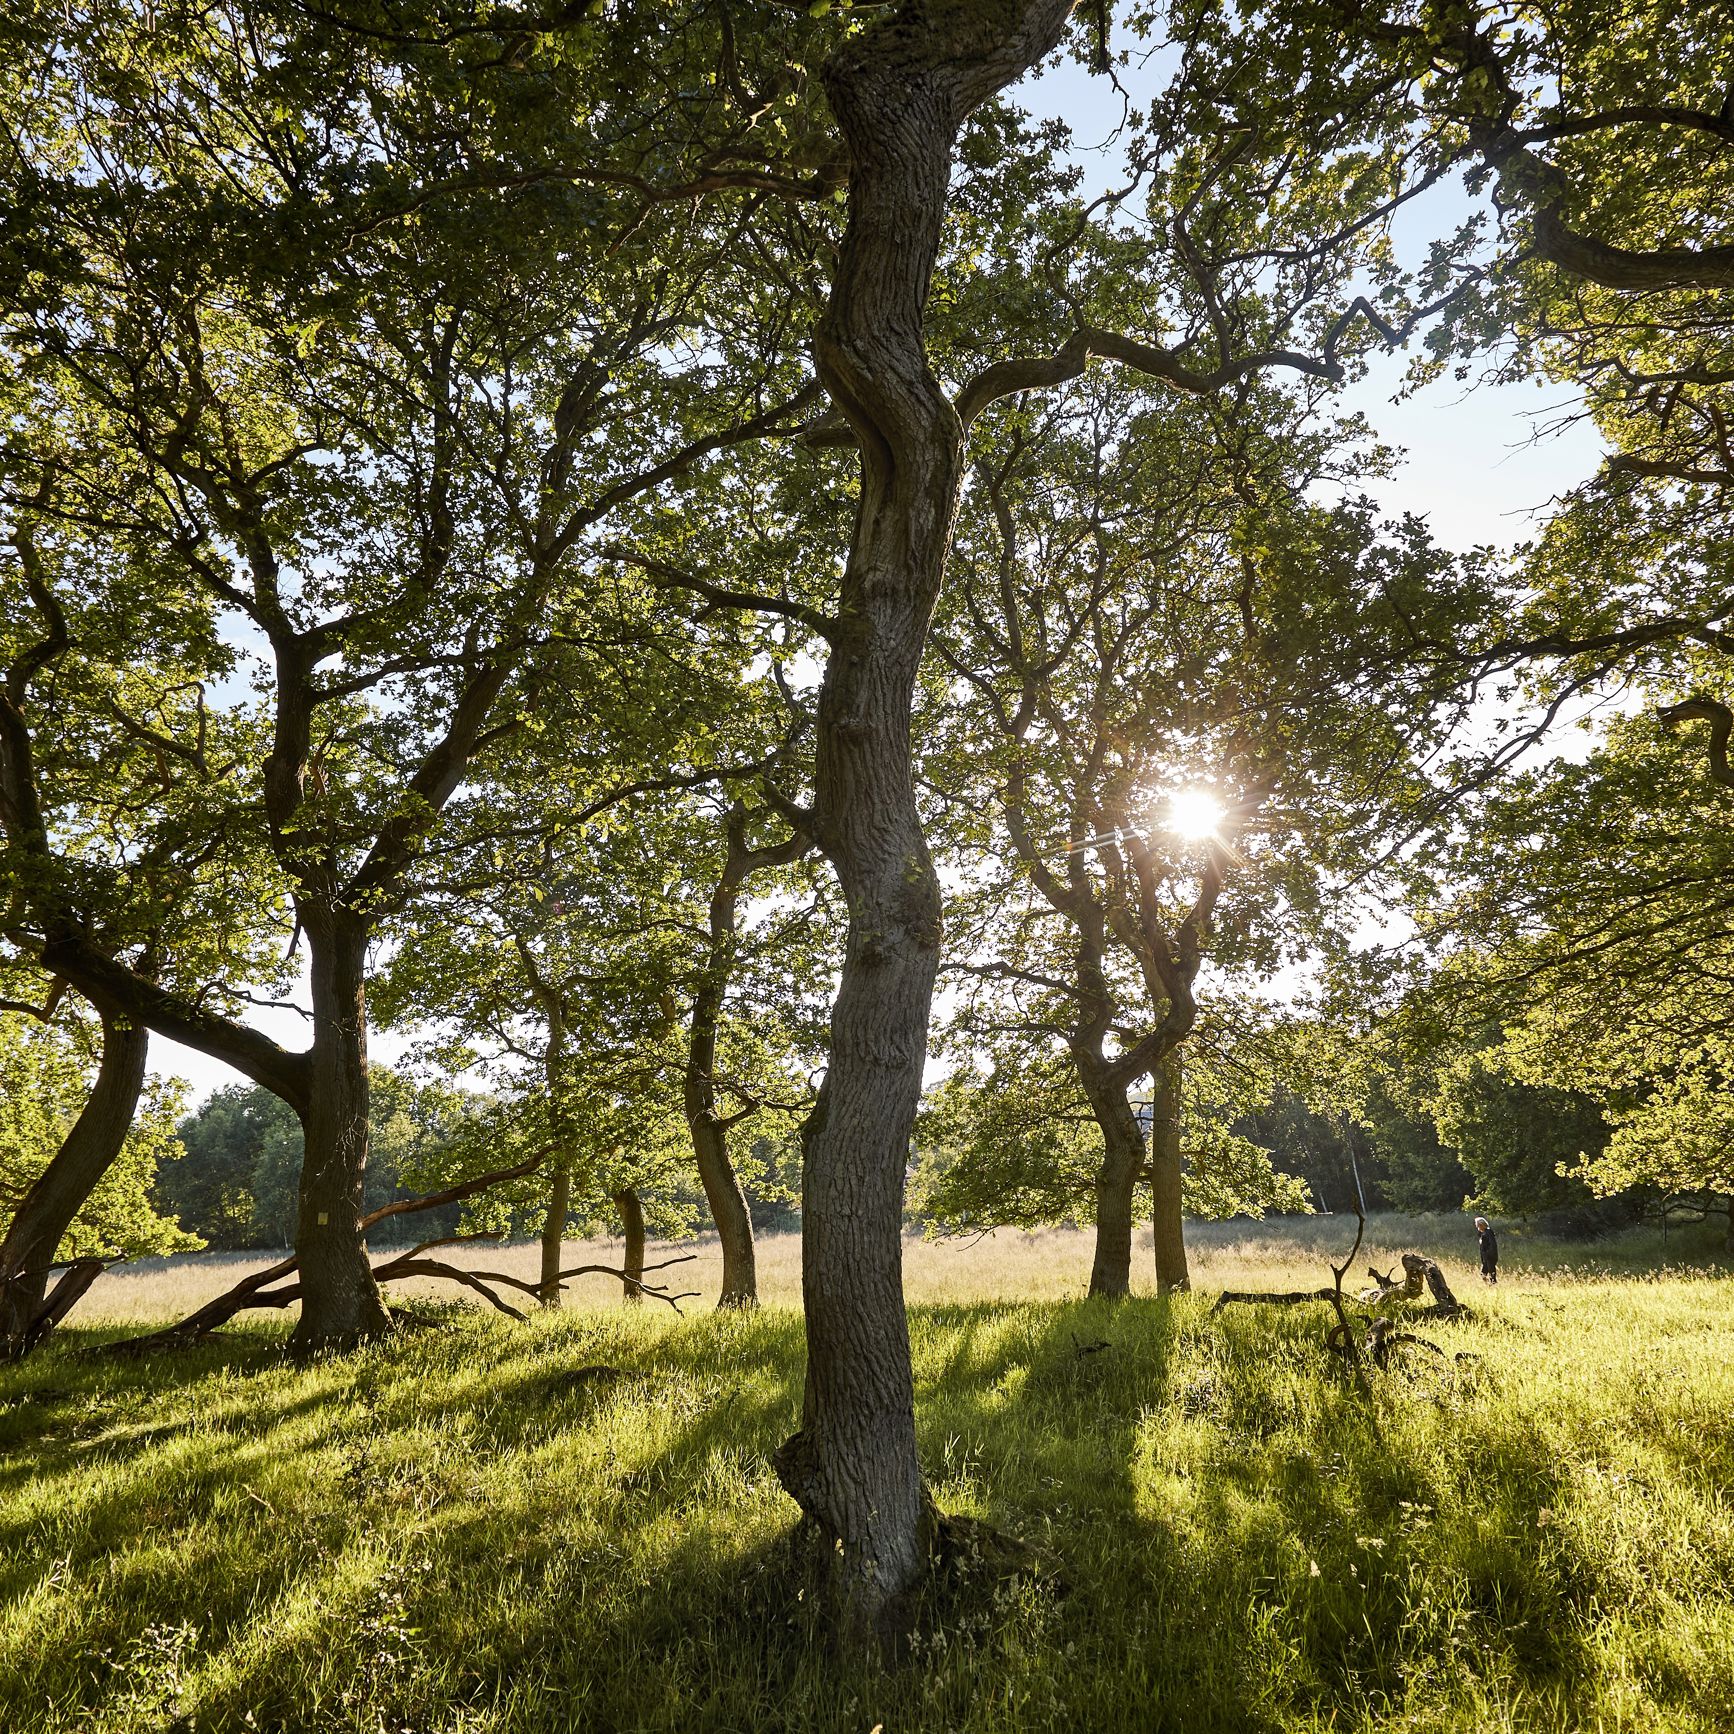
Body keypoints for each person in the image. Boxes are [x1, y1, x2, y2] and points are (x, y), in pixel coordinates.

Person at [1474, 1215, 1498, 1284]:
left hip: (1490, 1257)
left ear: (1481, 1224)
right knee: (1483, 1274)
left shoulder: (1488, 1232)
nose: (1476, 1226)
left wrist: (1488, 1254)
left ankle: (1493, 1286)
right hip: (1485, 1258)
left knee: (1491, 1274)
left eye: (1477, 1224)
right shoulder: (1482, 1233)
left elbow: (1493, 1245)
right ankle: (1489, 1286)